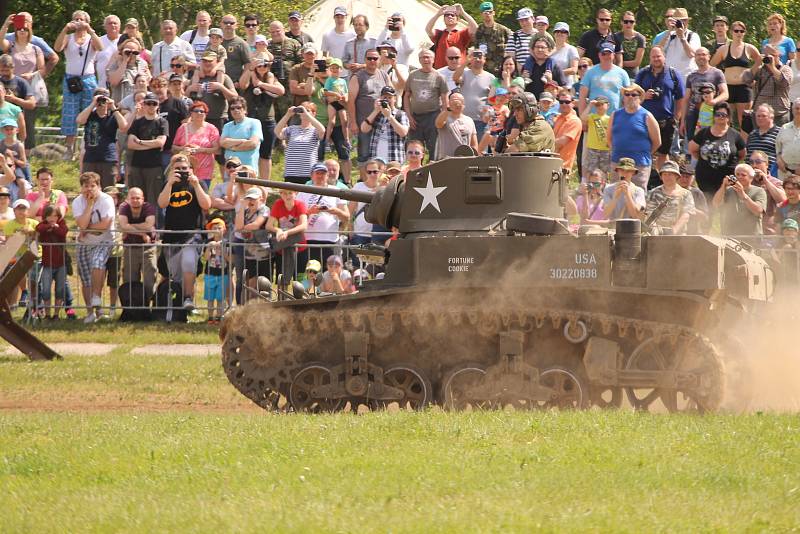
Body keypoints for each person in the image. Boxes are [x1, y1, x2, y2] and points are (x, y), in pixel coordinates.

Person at [157, 153, 211, 311]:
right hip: (172, 235)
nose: (181, 171)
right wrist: (169, 184)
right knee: (176, 273)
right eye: (178, 169)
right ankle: (180, 304)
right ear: (172, 170)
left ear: (191, 169)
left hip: (192, 233)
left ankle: (188, 298)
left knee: (189, 263)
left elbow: (206, 205)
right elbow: (161, 203)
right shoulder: (168, 184)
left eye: (184, 168)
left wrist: (196, 185)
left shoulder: (198, 183)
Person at [1, 12, 55, 150]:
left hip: (27, 86)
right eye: (19, 29)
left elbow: (42, 68)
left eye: (25, 29)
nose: (22, 31)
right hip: (10, 85)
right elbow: (1, 41)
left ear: (29, 30)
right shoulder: (10, 45)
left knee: (27, 122)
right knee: (7, 119)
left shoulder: (36, 48)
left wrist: (33, 75)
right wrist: (7, 24)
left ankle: (26, 154)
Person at [54, 10, 103, 160]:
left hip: (88, 79)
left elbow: (100, 47)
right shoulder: (69, 38)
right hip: (71, 79)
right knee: (70, 113)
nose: (79, 21)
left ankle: (90, 146)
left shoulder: (90, 38)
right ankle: (69, 149)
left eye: (82, 19)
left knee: (91, 112)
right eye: (76, 19)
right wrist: (65, 29)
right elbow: (57, 48)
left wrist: (90, 30)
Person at [72, 172, 115, 323]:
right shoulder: (78, 202)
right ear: (81, 187)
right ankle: (91, 312)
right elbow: (81, 224)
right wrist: (89, 205)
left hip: (103, 241)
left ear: (99, 186)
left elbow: (105, 225)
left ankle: (97, 296)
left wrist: (86, 229)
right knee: (85, 279)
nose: (89, 189)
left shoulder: (106, 199)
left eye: (92, 186)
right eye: (86, 186)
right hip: (83, 244)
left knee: (98, 262)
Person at [635, 47, 686, 170]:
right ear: (650, 58)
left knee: (664, 153)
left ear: (664, 57)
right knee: (644, 150)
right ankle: (645, 179)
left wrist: (677, 117)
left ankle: (662, 181)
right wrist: (644, 96)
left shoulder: (673, 74)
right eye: (653, 57)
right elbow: (633, 95)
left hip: (666, 120)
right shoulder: (643, 73)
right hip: (644, 120)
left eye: (658, 56)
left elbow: (680, 97)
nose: (656, 59)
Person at [608, 84, 661, 189]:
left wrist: (644, 153)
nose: (630, 97)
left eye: (634, 94)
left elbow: (657, 142)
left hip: (640, 164)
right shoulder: (615, 114)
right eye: (627, 94)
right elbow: (609, 138)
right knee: (616, 194)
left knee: (637, 196)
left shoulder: (647, 116)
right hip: (618, 164)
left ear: (640, 97)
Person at [297, 162, 350, 267]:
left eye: (323, 173)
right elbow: (295, 218)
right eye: (318, 173)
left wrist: (336, 211)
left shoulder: (336, 191)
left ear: (327, 175)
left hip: (330, 240)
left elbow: (346, 217)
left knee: (330, 273)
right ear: (312, 175)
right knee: (308, 273)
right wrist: (309, 212)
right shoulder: (303, 192)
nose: (320, 176)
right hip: (308, 239)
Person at [347, 48, 392, 173]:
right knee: (364, 154)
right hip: (363, 121)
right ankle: (363, 182)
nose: (372, 61)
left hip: (382, 122)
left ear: (379, 60)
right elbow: (350, 101)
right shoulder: (357, 77)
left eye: (375, 58)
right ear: (365, 60)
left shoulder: (384, 74)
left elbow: (391, 96)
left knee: (381, 154)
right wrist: (353, 122)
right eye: (369, 58)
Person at [689, 101, 746, 196]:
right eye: (718, 114)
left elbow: (742, 155)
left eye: (724, 114)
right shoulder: (703, 133)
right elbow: (692, 149)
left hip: (727, 182)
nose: (720, 117)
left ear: (728, 117)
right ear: (714, 116)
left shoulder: (735, 135)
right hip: (705, 180)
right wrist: (705, 158)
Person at [239, 57, 283, 180]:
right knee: (248, 151)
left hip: (267, 119)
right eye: (260, 65)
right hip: (250, 119)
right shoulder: (249, 73)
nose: (262, 68)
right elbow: (243, 84)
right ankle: (247, 180)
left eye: (265, 65)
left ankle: (265, 184)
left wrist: (261, 84)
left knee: (265, 154)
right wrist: (250, 69)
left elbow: (281, 91)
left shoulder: (271, 77)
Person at [711, 21, 761, 128]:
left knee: (744, 120)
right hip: (727, 88)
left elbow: (759, 61)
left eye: (741, 31)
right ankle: (726, 142)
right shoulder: (724, 48)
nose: (739, 33)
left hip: (744, 88)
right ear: (731, 32)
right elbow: (711, 64)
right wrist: (719, 78)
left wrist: (752, 73)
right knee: (725, 118)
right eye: (736, 30)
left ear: (744, 33)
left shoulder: (749, 48)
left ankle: (745, 144)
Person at [77, 88, 127, 188]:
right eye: (99, 99)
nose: (101, 102)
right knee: (89, 189)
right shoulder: (89, 115)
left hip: (108, 159)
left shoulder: (113, 116)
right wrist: (92, 104)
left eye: (104, 99)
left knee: (108, 190)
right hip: (90, 159)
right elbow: (80, 120)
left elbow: (124, 127)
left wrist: (113, 107)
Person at [405, 50, 449, 159]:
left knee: (434, 148)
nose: (425, 59)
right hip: (415, 117)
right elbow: (406, 96)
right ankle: (415, 171)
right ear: (419, 60)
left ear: (433, 60)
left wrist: (443, 118)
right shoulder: (412, 75)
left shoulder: (439, 77)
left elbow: (445, 100)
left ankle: (433, 172)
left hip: (433, 116)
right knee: (415, 148)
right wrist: (409, 117)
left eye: (428, 57)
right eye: (423, 57)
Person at [118, 186, 157, 306]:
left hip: (148, 248)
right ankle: (132, 307)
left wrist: (130, 227)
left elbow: (149, 225)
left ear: (143, 199)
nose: (135, 200)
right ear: (128, 199)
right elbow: (123, 226)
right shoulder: (123, 207)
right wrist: (142, 233)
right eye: (132, 198)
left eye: (138, 198)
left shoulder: (149, 207)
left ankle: (149, 305)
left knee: (150, 280)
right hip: (130, 248)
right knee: (129, 279)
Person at [126, 92, 167, 205]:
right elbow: (130, 144)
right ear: (143, 105)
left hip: (154, 167)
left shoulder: (162, 122)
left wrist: (140, 142)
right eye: (148, 103)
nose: (151, 106)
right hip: (137, 166)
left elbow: (160, 143)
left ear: (158, 106)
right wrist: (150, 144)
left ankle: (152, 223)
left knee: (153, 201)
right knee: (135, 200)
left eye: (154, 103)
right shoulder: (137, 123)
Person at [681, 47, 728, 143]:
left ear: (709, 57)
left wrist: (713, 101)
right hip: (693, 112)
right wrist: (682, 121)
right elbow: (686, 99)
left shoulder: (717, 73)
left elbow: (725, 94)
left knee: (710, 141)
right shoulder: (691, 76)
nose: (700, 57)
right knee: (692, 141)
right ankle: (691, 157)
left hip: (710, 113)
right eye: (698, 55)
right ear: (695, 58)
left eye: (703, 54)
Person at [172, 101, 220, 189]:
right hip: (185, 169)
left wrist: (200, 149)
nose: (199, 113)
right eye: (196, 111)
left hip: (205, 170)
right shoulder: (183, 128)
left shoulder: (211, 129)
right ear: (191, 113)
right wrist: (183, 148)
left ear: (206, 114)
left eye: (202, 111)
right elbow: (174, 147)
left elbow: (217, 149)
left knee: (202, 195)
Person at [742, 44, 793, 126]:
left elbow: (784, 82)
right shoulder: (759, 70)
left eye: (772, 55)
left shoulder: (786, 69)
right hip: (760, 116)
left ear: (779, 55)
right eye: (766, 55)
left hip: (779, 116)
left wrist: (773, 67)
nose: (769, 57)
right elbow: (746, 80)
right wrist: (756, 64)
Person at [276, 101, 325, 184]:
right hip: (291, 172)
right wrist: (287, 115)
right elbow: (277, 132)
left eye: (308, 110)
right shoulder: (292, 129)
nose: (304, 112)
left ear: (314, 113)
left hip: (308, 173)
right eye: (302, 110)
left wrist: (307, 115)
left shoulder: (314, 130)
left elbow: (322, 130)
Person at [265, 189, 308, 285]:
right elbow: (268, 225)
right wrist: (278, 230)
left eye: (290, 193)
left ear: (295, 193)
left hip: (300, 248)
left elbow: (304, 225)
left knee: (301, 280)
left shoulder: (300, 204)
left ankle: (303, 300)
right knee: (282, 280)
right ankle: (282, 299)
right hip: (283, 248)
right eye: (284, 193)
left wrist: (287, 233)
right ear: (280, 194)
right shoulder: (278, 204)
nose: (287, 196)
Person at [712, 163, 768, 236]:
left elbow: (758, 211)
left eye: (743, 175)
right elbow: (715, 203)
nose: (739, 177)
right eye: (737, 175)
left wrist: (743, 195)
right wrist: (723, 186)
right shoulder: (729, 190)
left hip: (752, 236)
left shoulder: (759, 191)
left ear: (751, 178)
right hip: (730, 235)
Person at [3, 198, 38, 309]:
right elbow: (10, 243)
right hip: (18, 255)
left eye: (24, 209)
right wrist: (22, 235)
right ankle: (24, 292)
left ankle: (33, 301)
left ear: (28, 211)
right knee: (19, 271)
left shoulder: (35, 223)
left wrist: (31, 233)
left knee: (35, 279)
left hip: (35, 254)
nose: (21, 211)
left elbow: (39, 238)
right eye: (19, 209)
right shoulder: (9, 225)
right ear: (14, 211)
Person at [235, 184, 270, 294]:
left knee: (263, 284)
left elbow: (256, 225)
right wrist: (241, 207)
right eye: (248, 198)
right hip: (249, 253)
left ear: (260, 198)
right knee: (249, 284)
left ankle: (265, 308)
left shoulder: (265, 209)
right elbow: (238, 227)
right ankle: (250, 308)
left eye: (253, 199)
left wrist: (242, 228)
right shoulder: (245, 211)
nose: (251, 201)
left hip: (263, 254)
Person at [578, 41, 630, 114]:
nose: (606, 56)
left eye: (609, 54)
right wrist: (583, 119)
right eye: (603, 54)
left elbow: (628, 97)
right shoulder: (590, 72)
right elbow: (582, 97)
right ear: (599, 55)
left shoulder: (622, 73)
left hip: (615, 117)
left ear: (614, 55)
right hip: (594, 118)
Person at [644, 161, 695, 234]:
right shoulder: (653, 193)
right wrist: (656, 231)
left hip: (679, 235)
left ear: (677, 176)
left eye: (670, 174)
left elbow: (686, 215)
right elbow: (649, 214)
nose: (667, 177)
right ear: (661, 176)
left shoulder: (686, 194)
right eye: (665, 174)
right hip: (656, 234)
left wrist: (673, 230)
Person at [360, 86, 408, 164]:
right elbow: (364, 129)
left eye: (390, 97)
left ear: (394, 99)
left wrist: (389, 116)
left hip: (394, 160)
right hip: (376, 161)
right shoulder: (376, 115)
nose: (387, 100)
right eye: (385, 97)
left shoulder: (400, 114)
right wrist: (376, 111)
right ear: (380, 98)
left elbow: (403, 133)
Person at [35, 205, 67, 319]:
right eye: (50, 215)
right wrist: (50, 226)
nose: (52, 218)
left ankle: (56, 315)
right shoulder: (42, 224)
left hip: (61, 264)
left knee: (60, 289)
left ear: (59, 216)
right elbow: (39, 229)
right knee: (46, 290)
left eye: (55, 215)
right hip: (47, 263)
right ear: (45, 216)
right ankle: (47, 314)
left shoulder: (62, 223)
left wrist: (54, 228)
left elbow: (63, 232)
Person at [454, 50, 495, 139]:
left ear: (485, 60)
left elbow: (495, 97)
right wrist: (466, 62)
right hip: (463, 119)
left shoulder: (491, 77)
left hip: (481, 121)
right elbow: (455, 78)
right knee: (464, 149)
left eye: (480, 57)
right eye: (475, 57)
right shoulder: (464, 73)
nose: (478, 59)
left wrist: (489, 111)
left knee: (479, 151)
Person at [651, 8, 700, 79]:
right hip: (669, 76)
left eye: (683, 20)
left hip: (687, 77)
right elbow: (658, 50)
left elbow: (691, 54)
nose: (680, 23)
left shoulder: (692, 35)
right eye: (677, 21)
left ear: (687, 21)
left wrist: (682, 38)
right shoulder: (670, 35)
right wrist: (669, 31)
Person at [426, 4, 477, 69]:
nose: (450, 16)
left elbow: (475, 29)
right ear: (444, 19)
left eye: (453, 15)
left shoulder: (462, 34)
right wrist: (438, 14)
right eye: (447, 15)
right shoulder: (439, 34)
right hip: (440, 72)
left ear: (457, 20)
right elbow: (428, 29)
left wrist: (463, 13)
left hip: (458, 72)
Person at [220, 96, 263, 173]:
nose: (235, 110)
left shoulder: (255, 122)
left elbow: (252, 144)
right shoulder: (227, 126)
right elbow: (223, 143)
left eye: (238, 107)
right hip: (230, 169)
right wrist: (242, 141)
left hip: (248, 169)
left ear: (245, 110)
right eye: (232, 108)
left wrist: (233, 148)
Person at [749, 149, 787, 233]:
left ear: (766, 164)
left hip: (768, 229)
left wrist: (766, 181)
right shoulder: (747, 182)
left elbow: (783, 201)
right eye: (751, 162)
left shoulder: (776, 182)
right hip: (749, 228)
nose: (754, 165)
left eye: (758, 162)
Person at [470, 2, 511, 77]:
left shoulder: (503, 30)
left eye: (490, 12)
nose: (488, 14)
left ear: (494, 13)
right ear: (481, 14)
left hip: (501, 72)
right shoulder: (479, 31)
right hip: (483, 73)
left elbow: (512, 49)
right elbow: (476, 51)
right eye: (485, 12)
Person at [435, 91, 477, 159]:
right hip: (447, 160)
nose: (457, 103)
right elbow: (438, 124)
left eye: (460, 101)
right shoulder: (445, 117)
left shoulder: (469, 120)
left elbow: (474, 144)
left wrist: (474, 158)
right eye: (453, 101)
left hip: (466, 160)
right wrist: (448, 109)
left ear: (464, 104)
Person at [106, 38, 149, 104]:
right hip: (121, 104)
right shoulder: (115, 65)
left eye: (135, 52)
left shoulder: (142, 64)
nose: (131, 54)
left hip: (139, 104)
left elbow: (148, 82)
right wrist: (124, 61)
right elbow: (113, 82)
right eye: (128, 52)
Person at [203, 218, 229, 323]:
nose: (217, 230)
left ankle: (219, 317)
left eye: (219, 227)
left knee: (220, 298)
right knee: (210, 298)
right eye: (214, 228)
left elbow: (230, 259)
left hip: (223, 274)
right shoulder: (208, 242)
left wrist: (222, 251)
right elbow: (205, 258)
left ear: (224, 230)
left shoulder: (227, 243)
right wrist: (209, 248)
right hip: (210, 274)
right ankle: (210, 317)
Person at [580, 95, 611, 178]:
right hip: (592, 149)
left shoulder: (610, 118)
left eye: (602, 104)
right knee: (591, 171)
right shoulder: (592, 116)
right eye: (597, 105)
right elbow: (582, 117)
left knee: (604, 171)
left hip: (606, 149)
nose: (600, 106)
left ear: (608, 105)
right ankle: (590, 188)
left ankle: (602, 188)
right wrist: (590, 105)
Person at [676, 162, 710, 234]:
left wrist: (690, 209)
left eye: (687, 177)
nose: (684, 179)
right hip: (672, 231)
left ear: (692, 178)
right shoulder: (670, 191)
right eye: (682, 176)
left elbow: (705, 217)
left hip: (691, 232)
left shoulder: (697, 193)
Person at [552, 90, 582, 172]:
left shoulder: (575, 121)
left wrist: (544, 145)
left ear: (572, 103)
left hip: (563, 167)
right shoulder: (558, 118)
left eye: (567, 102)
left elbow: (561, 142)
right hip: (551, 163)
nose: (564, 104)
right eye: (561, 102)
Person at [219, 14, 252, 88]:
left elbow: (248, 65)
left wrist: (241, 81)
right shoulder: (214, 41)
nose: (228, 25)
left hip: (233, 85)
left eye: (231, 23)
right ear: (221, 24)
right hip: (215, 84)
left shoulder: (242, 44)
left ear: (236, 25)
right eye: (225, 22)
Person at [746, 104, 781, 169]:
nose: (760, 118)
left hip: (771, 175)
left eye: (763, 116)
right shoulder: (752, 134)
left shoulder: (780, 133)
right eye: (758, 116)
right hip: (752, 174)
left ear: (772, 117)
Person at [615, 12, 645, 79]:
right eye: (626, 21)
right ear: (621, 22)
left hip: (633, 76)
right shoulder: (615, 37)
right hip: (617, 75)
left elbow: (637, 62)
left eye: (631, 22)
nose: (629, 24)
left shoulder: (640, 38)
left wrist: (620, 62)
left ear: (634, 23)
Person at [505, 8, 536, 72]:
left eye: (526, 19)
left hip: (538, 73)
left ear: (533, 19)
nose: (524, 23)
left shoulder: (540, 35)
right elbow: (510, 58)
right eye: (521, 20)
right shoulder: (514, 36)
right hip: (520, 75)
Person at [777, 99, 800, 180]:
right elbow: (778, 148)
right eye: (797, 108)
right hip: (784, 172)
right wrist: (779, 160)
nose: (799, 111)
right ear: (792, 110)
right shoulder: (784, 128)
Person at [550, 22, 579, 87]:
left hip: (566, 87)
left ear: (567, 34)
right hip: (550, 86)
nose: (560, 33)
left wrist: (556, 74)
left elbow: (574, 70)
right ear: (554, 34)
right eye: (557, 31)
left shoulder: (571, 49)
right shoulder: (548, 49)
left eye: (563, 31)